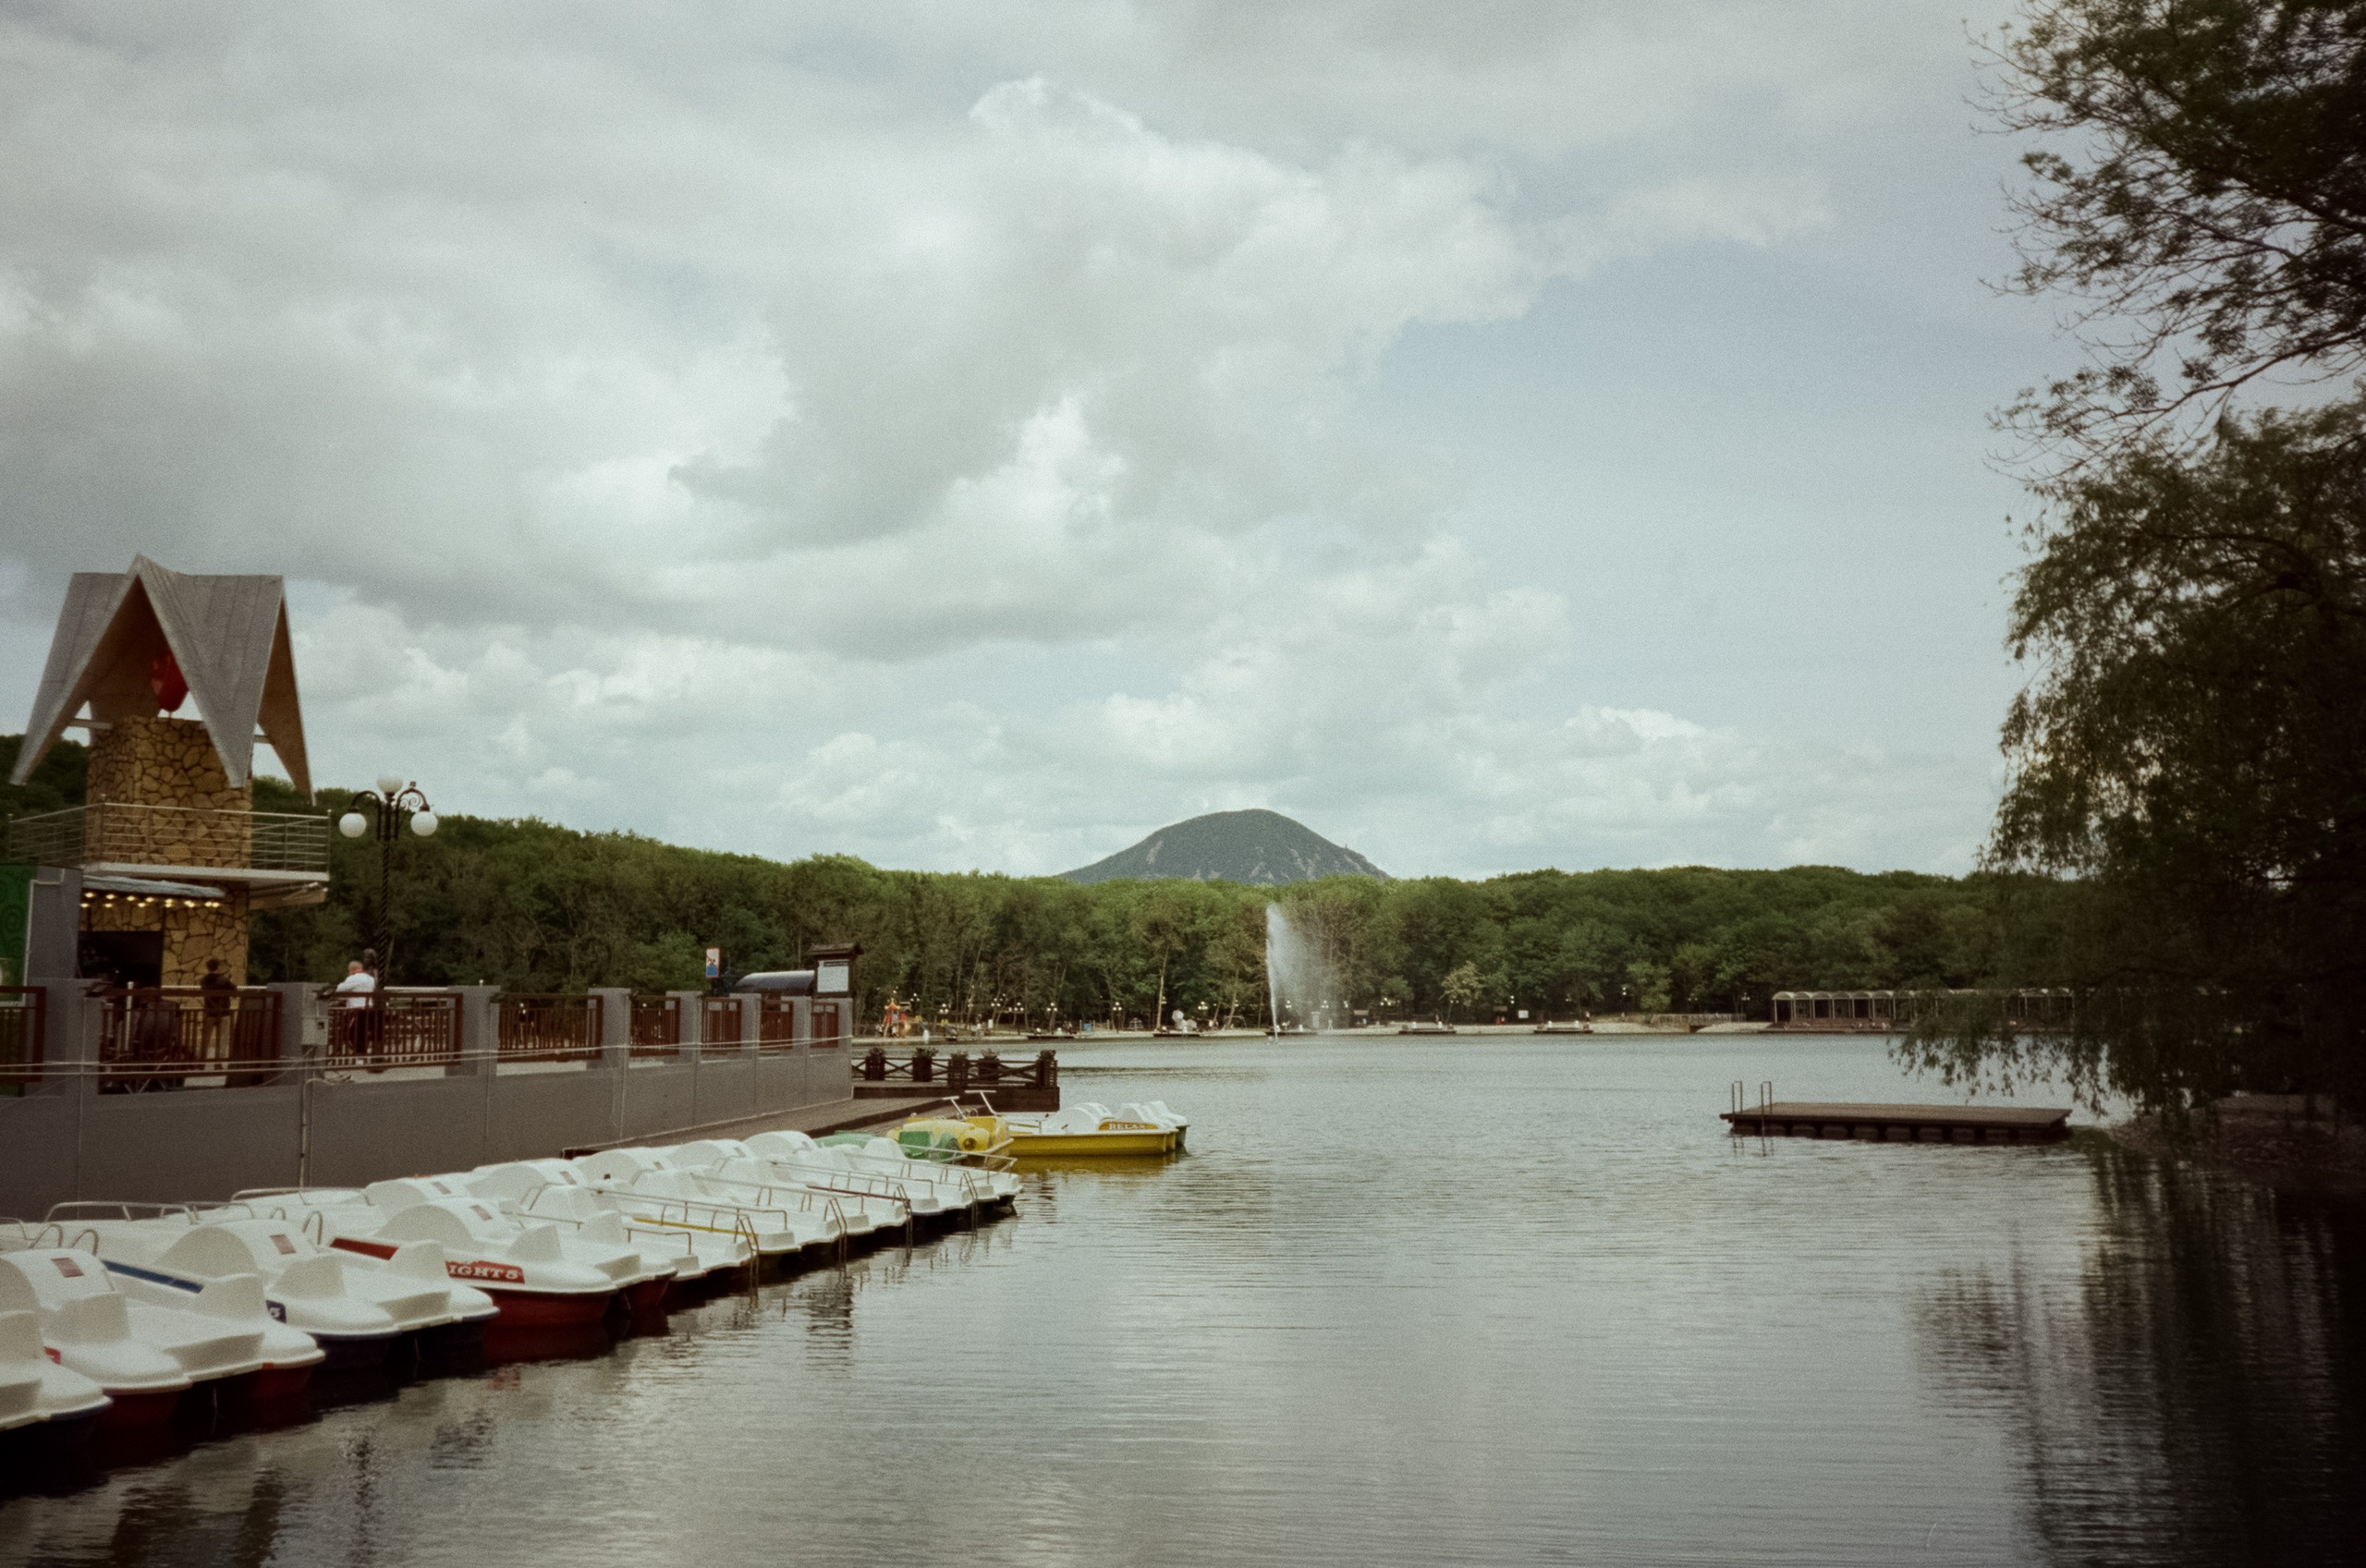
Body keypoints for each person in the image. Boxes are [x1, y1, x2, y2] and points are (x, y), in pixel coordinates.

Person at [198, 957, 238, 1064]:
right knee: (222, 1039)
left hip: (209, 1012)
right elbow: (234, 993)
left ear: (207, 967)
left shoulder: (203, 981)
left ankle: (202, 1060)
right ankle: (219, 1061)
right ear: (218, 967)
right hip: (224, 1012)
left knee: (205, 1037)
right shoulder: (224, 980)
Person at [335, 958, 376, 1059]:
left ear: (351, 970)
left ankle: (360, 1054)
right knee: (362, 1031)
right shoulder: (370, 978)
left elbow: (340, 989)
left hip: (357, 1009)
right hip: (369, 1007)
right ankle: (364, 1051)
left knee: (353, 1032)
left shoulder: (353, 978)